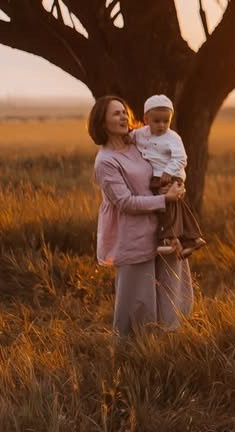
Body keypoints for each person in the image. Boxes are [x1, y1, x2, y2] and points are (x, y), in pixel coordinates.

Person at [89, 95, 195, 336]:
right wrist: (164, 200)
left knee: (169, 293)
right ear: (102, 122)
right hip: (133, 236)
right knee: (138, 304)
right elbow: (125, 202)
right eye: (116, 113)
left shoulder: (138, 144)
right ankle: (133, 352)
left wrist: (177, 185)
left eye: (124, 112)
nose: (123, 117)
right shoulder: (106, 161)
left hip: (161, 230)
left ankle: (167, 346)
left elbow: (168, 164)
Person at [132, 94, 207, 258]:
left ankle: (166, 239)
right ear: (146, 119)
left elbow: (181, 158)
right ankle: (191, 239)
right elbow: (130, 137)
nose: (162, 125)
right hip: (159, 175)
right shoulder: (140, 134)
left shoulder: (172, 137)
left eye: (166, 121)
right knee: (176, 205)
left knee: (163, 203)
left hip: (171, 174)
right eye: (156, 121)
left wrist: (169, 171)